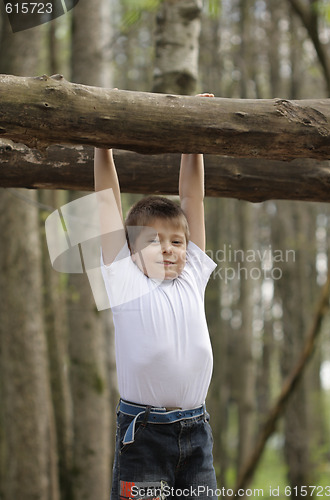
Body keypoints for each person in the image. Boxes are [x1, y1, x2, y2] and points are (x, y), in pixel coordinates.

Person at [95, 93, 218, 500]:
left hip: (196, 432)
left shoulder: (192, 276)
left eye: (177, 241)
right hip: (144, 435)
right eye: (154, 241)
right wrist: (102, 145)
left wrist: (193, 135)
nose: (169, 248)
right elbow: (108, 205)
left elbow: (191, 199)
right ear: (131, 250)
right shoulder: (124, 279)